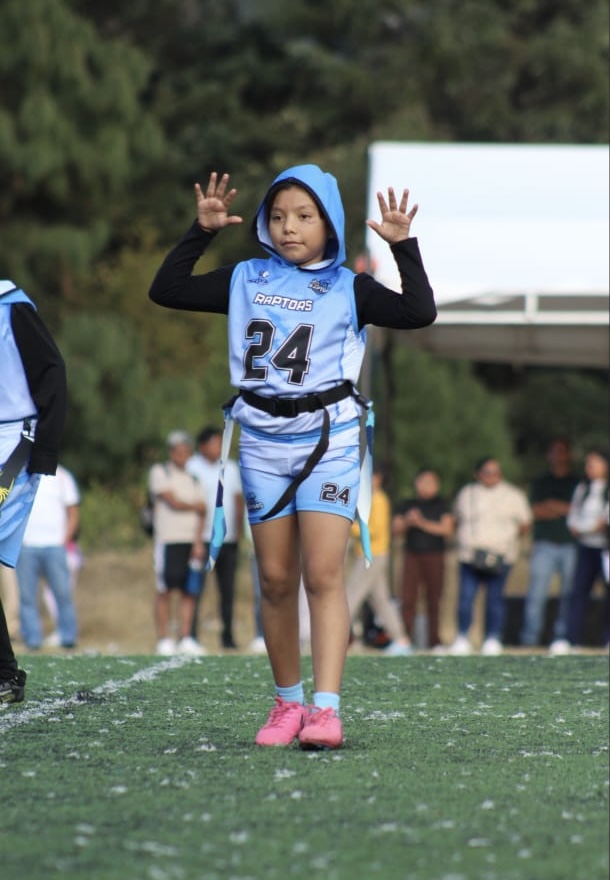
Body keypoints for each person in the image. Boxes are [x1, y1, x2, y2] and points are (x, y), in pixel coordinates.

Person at [149, 165, 436, 748]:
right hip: (261, 442)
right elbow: (167, 289)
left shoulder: (351, 287)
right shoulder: (245, 278)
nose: (289, 227)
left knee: (323, 575)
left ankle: (326, 710)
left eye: (304, 216)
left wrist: (403, 247)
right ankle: (287, 704)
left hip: (328, 443)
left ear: (329, 224)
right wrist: (201, 232)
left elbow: (419, 311)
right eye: (278, 216)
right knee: (276, 581)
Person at [0, 278, 66, 702]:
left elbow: (52, 372)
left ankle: (5, 674)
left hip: (13, 442)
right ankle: (5, 674)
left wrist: (45, 450)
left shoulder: (10, 304)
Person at [450, 457, 532, 656]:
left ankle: (492, 637)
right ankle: (462, 636)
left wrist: (506, 540)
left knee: (495, 598)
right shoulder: (467, 493)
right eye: (487, 472)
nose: (492, 476)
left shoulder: (513, 495)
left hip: (501, 555)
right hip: (470, 555)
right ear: (478, 474)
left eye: (496, 472)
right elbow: (456, 519)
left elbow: (524, 524)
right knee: (466, 597)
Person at [149, 430, 207, 656]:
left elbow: (203, 512)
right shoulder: (160, 472)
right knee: (165, 589)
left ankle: (186, 636)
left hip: (190, 541)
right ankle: (164, 638)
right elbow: (172, 501)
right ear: (171, 452)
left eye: (186, 452)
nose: (182, 456)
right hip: (168, 539)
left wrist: (198, 542)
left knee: (189, 591)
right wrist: (194, 506)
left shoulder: (194, 479)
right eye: (178, 451)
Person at [519, 438, 579, 652]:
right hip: (544, 544)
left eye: (562, 451)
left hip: (570, 545)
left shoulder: (577, 482)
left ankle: (563, 638)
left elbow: (577, 511)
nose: (558, 455)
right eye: (554, 451)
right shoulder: (540, 482)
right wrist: (563, 509)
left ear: (568, 455)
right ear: (548, 455)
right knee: (536, 594)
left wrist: (552, 506)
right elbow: (534, 511)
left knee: (569, 594)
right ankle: (530, 638)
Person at [187, 426, 243, 649]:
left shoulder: (231, 467)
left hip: (227, 539)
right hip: (201, 538)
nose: (218, 447)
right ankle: (190, 635)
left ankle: (227, 636)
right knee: (195, 588)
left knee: (227, 590)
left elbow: (238, 500)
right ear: (202, 446)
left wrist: (238, 532)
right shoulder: (191, 467)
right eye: (214, 443)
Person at [347, 466, 413, 656]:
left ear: (377, 479)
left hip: (372, 555)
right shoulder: (368, 499)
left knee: (351, 597)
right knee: (381, 601)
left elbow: (373, 530)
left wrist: (350, 526)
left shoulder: (378, 500)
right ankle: (401, 640)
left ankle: (335, 638)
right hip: (370, 554)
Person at [15, 464, 80, 649]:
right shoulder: (21, 475)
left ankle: (68, 637)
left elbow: (73, 512)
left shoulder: (63, 476)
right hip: (27, 545)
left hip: (55, 546)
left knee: (63, 594)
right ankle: (32, 639)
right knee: (27, 596)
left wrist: (64, 540)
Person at [392, 467, 454, 649]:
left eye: (432, 482)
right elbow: (395, 529)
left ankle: (435, 641)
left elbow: (447, 529)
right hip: (412, 555)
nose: (428, 486)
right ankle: (405, 639)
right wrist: (408, 522)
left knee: (434, 599)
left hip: (435, 555)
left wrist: (421, 523)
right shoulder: (407, 505)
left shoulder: (442, 505)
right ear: (417, 483)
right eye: (425, 482)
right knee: (408, 598)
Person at [563, 449, 609, 652]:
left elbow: (604, 522)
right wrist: (582, 528)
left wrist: (588, 528)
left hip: (605, 549)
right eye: (587, 464)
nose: (589, 468)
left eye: (594, 463)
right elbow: (573, 516)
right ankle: (571, 639)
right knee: (578, 593)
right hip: (585, 548)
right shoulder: (583, 489)